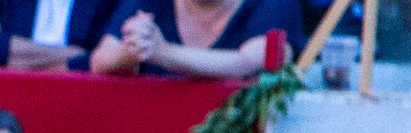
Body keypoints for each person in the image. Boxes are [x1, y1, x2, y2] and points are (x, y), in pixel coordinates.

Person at [88, 0, 301, 76]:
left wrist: (163, 52)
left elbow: (254, 61)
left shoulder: (274, 4)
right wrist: (135, 46)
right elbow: (99, 61)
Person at [0, 0, 121, 68]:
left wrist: (3, 48)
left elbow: (111, 60)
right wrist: (73, 54)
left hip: (86, 106)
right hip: (8, 101)